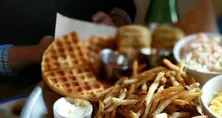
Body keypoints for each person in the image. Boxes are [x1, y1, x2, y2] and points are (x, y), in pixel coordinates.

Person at [0, 0, 136, 76]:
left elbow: (123, 5)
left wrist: (115, 22)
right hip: (23, 90)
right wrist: (37, 53)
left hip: (98, 72)